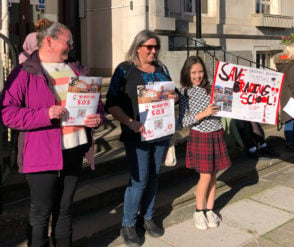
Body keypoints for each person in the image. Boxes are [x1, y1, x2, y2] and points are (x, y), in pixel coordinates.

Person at [0, 21, 104, 246]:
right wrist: (44, 114)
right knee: (40, 215)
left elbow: (96, 105)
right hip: (41, 154)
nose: (72, 47)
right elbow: (7, 114)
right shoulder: (24, 72)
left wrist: (97, 118)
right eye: (68, 42)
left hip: (74, 150)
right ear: (50, 41)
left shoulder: (75, 68)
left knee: (65, 210)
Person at [105, 30, 178, 247]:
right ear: (138, 47)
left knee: (154, 176)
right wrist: (129, 122)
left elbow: (171, 94)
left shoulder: (162, 69)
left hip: (160, 133)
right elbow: (111, 103)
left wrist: (173, 97)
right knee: (139, 180)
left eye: (156, 47)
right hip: (136, 134)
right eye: (149, 47)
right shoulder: (124, 69)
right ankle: (128, 224)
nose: (154, 51)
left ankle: (146, 218)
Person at [179, 56, 231, 230]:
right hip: (200, 136)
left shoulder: (212, 88)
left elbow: (225, 107)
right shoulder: (185, 92)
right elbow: (183, 121)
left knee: (214, 173)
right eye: (193, 72)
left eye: (200, 71)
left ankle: (210, 210)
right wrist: (204, 113)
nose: (198, 76)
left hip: (216, 133)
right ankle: (198, 211)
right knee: (205, 175)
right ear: (187, 73)